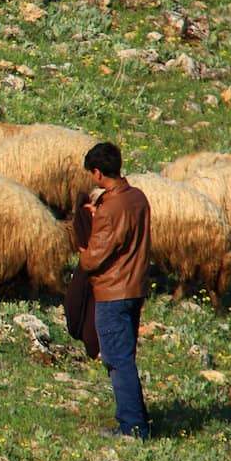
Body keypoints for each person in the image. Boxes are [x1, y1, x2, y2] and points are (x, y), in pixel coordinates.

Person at [77, 142, 152, 439]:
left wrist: (82, 246)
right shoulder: (138, 198)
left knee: (117, 361)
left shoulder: (111, 209)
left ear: (97, 172)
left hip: (113, 292)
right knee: (125, 357)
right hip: (135, 287)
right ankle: (136, 419)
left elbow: (94, 256)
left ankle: (133, 428)